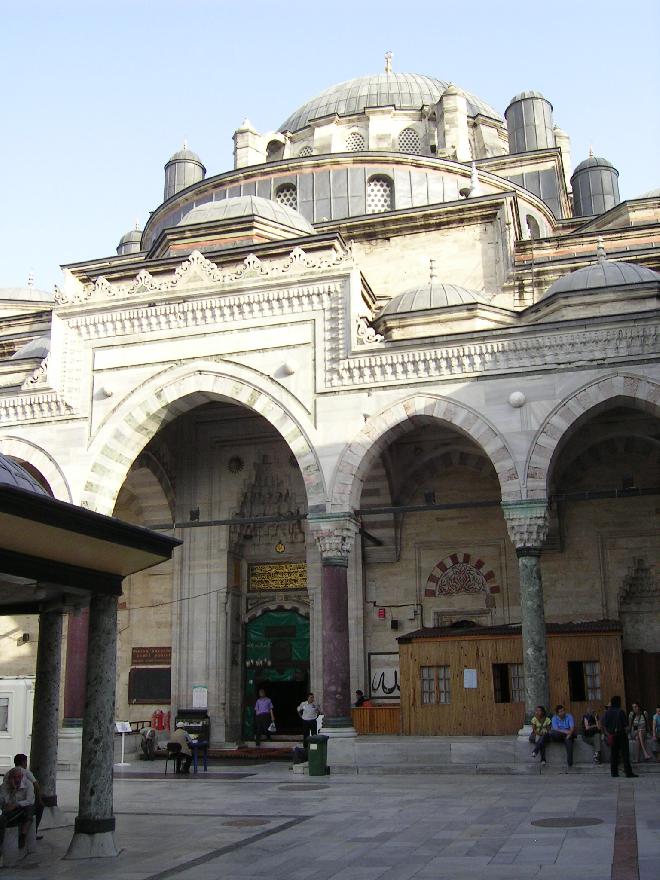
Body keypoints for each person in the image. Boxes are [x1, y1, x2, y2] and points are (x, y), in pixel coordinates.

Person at [601, 695, 637, 778]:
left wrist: (608, 734)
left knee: (614, 754)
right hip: (621, 735)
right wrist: (630, 723)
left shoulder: (607, 713)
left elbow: (604, 725)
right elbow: (626, 726)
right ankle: (628, 772)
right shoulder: (620, 712)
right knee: (625, 754)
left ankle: (614, 772)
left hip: (612, 735)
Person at [0, 766, 35, 849]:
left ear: (22, 776)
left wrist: (17, 804)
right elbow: (5, 802)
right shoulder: (4, 786)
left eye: (19, 777)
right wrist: (13, 790)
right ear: (9, 778)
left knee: (29, 809)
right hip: (9, 809)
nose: (17, 779)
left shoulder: (28, 784)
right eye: (14, 777)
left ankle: (23, 834)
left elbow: (30, 801)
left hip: (23, 806)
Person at [13, 754, 44, 838]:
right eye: (26, 762)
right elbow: (36, 785)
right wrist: (39, 800)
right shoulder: (25, 772)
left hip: (11, 802)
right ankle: (33, 833)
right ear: (23, 762)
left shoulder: (10, 772)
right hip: (21, 802)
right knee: (39, 807)